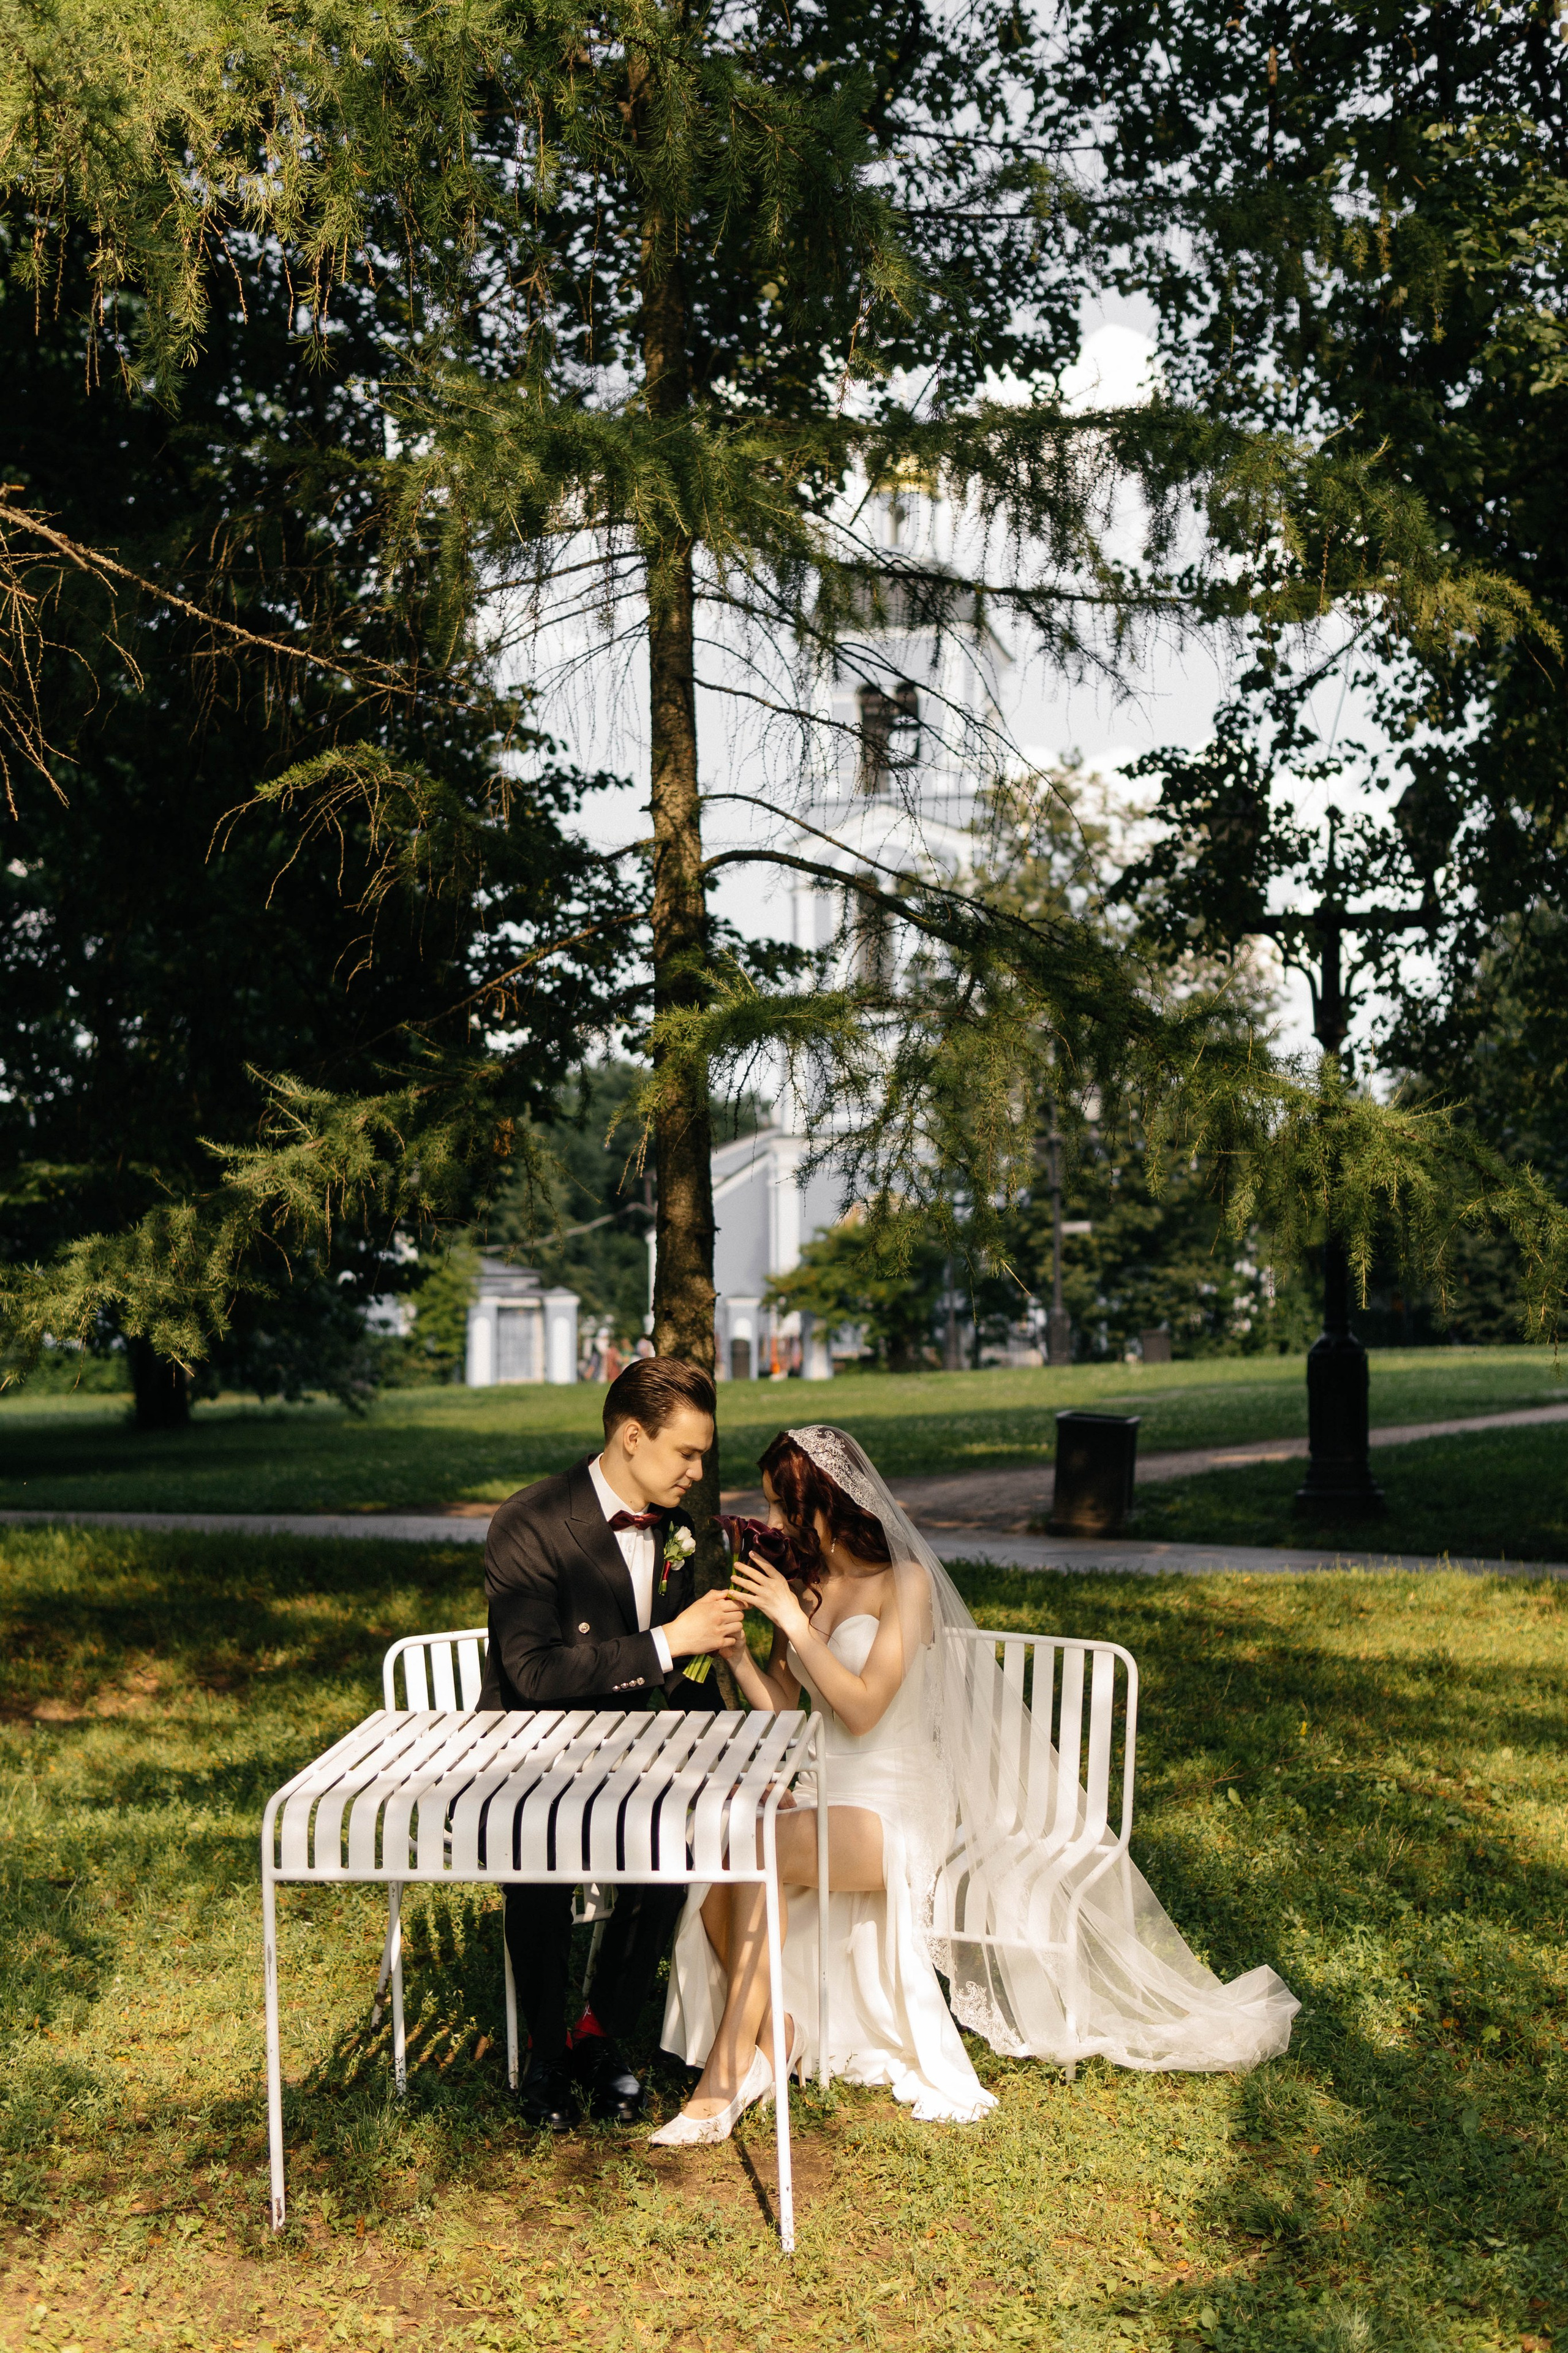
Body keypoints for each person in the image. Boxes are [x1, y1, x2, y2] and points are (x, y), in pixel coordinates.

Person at [653, 1424, 1300, 2144]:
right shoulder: (806, 1589)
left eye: (783, 1506)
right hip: (824, 1794)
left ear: (826, 1504)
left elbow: (864, 1709)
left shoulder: (905, 1583)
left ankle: (726, 2075)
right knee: (718, 1846)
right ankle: (773, 2038)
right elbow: (786, 1714)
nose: (773, 1524)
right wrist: (744, 1655)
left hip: (891, 1808)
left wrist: (793, 1627)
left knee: (748, 1844)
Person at [476, 1356, 743, 2130]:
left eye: (702, 1454)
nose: (697, 1470)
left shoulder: (684, 1531)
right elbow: (530, 1671)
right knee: (542, 1848)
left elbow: (686, 1675)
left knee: (674, 1842)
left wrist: (724, 1751)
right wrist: (665, 1642)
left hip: (638, 1752)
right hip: (532, 1747)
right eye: (685, 1453)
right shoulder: (528, 1520)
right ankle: (545, 2053)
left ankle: (600, 2034)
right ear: (632, 1436)